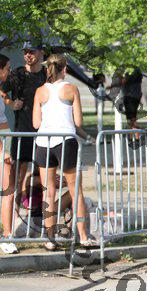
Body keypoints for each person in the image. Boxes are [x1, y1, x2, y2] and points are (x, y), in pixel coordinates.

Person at [32, 54, 97, 250]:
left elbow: (36, 123)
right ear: (65, 69)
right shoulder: (71, 89)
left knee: (48, 192)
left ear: (48, 69)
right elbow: (78, 122)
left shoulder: (40, 91)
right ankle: (83, 236)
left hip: (44, 142)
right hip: (66, 141)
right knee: (76, 190)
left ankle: (50, 239)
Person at [1, 42, 47, 250]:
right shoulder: (17, 74)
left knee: (41, 179)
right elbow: (2, 92)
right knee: (15, 183)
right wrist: (12, 104)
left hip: (43, 134)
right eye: (25, 52)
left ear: (40, 53)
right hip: (21, 134)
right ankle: (10, 227)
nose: (28, 55)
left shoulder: (46, 74)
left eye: (31, 52)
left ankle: (38, 220)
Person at [0, 53, 18, 254]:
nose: (9, 71)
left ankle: (7, 234)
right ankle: (6, 236)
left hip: (5, 144)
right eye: (7, 68)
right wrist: (4, 150)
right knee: (8, 191)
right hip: (1, 147)